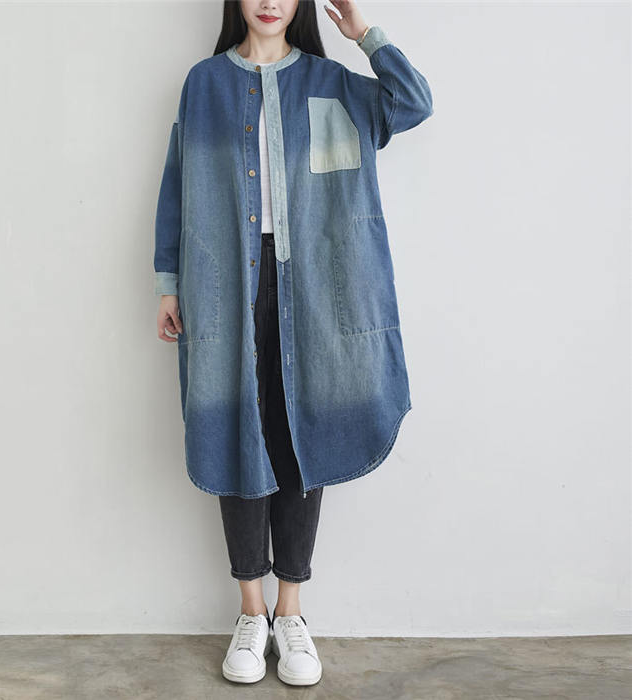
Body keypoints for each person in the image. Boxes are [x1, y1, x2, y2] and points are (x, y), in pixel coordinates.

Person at [154, 0, 433, 687]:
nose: (270, 1)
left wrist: (363, 34)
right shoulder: (204, 84)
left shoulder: (333, 83)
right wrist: (168, 282)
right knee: (237, 434)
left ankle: (291, 612)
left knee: (300, 435)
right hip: (225, 287)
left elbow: (413, 103)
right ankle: (250, 613)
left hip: (317, 290)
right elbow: (177, 184)